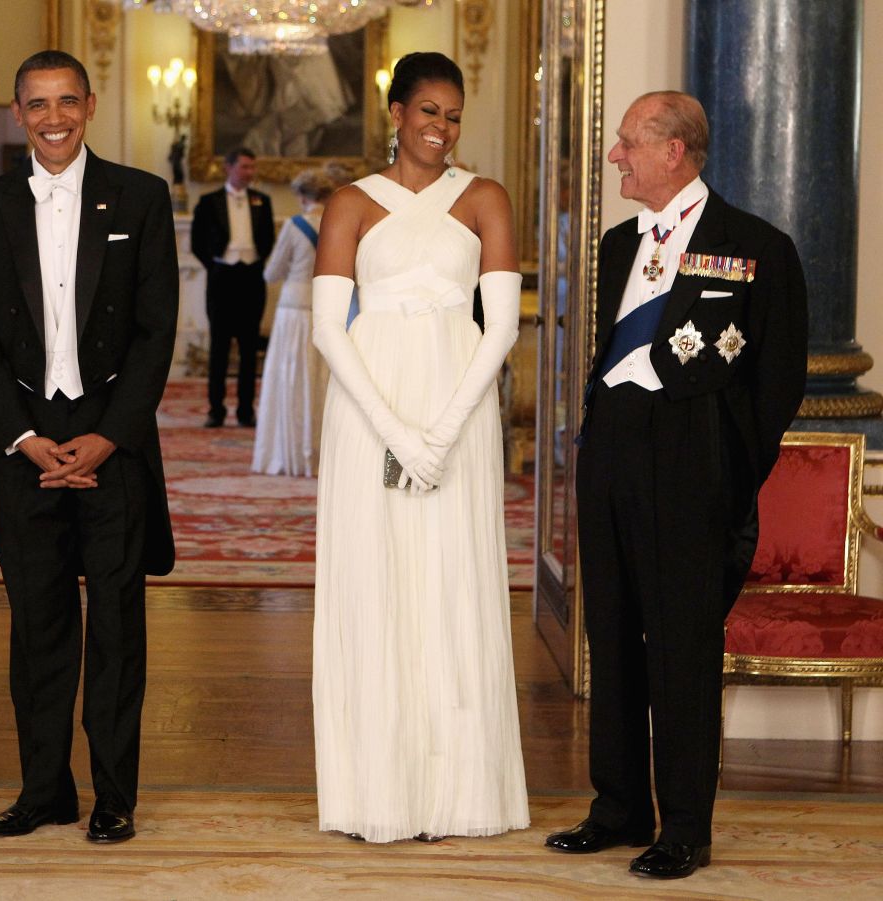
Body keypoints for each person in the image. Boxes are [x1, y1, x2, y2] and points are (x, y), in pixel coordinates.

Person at [544, 91, 807, 879]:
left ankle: (685, 825)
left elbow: (777, 379)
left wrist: (728, 470)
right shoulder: (620, 244)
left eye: (628, 143)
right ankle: (618, 806)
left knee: (683, 647)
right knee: (614, 634)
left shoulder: (755, 245)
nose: (617, 155)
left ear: (674, 151)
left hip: (693, 466)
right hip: (613, 458)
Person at [0, 50, 178, 845]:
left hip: (112, 442)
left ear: (89, 103)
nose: (54, 118)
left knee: (117, 626)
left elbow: (157, 333)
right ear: (19, 113)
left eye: (67, 102)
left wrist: (107, 436)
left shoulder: (143, 198)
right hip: (25, 443)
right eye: (38, 105)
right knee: (38, 625)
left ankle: (115, 796)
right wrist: (22, 436)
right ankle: (43, 789)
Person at [310, 52, 529, 843]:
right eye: (429, 111)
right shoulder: (349, 203)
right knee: (377, 582)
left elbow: (500, 325)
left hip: (459, 403)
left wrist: (440, 434)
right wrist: (400, 434)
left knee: (450, 580)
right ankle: (378, 791)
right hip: (369, 407)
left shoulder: (484, 199)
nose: (442, 128)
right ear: (395, 111)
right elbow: (329, 329)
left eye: (454, 115)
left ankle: (459, 790)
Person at [251, 169, 334, 476]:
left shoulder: (294, 225)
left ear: (301, 196)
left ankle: (288, 452)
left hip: (293, 309)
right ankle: (321, 452)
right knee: (321, 380)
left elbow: (271, 272)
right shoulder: (337, 222)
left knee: (290, 380)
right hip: (325, 306)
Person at [191, 147, 275, 428]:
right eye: (244, 167)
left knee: (249, 349)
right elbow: (197, 242)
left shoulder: (262, 200)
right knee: (220, 348)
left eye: (252, 167)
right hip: (221, 279)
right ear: (228, 168)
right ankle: (216, 410)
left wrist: (255, 260)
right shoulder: (208, 201)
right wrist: (217, 264)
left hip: (251, 278)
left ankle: (245, 410)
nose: (249, 172)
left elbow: (267, 239)